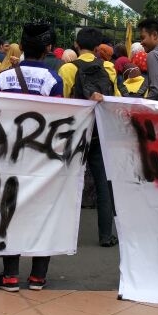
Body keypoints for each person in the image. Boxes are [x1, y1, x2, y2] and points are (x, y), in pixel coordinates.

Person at [0, 23, 62, 292]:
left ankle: (9, 276)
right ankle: (38, 277)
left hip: (9, 154)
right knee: (44, 213)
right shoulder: (54, 80)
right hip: (43, 156)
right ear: (49, 48)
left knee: (10, 211)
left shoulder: (4, 77)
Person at [60, 27, 120, 246]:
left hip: (75, 134)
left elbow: (62, 100)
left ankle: (62, 233)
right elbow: (115, 100)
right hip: (100, 132)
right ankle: (105, 235)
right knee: (103, 184)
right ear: (97, 48)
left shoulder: (67, 69)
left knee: (66, 182)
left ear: (77, 45)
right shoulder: (109, 68)